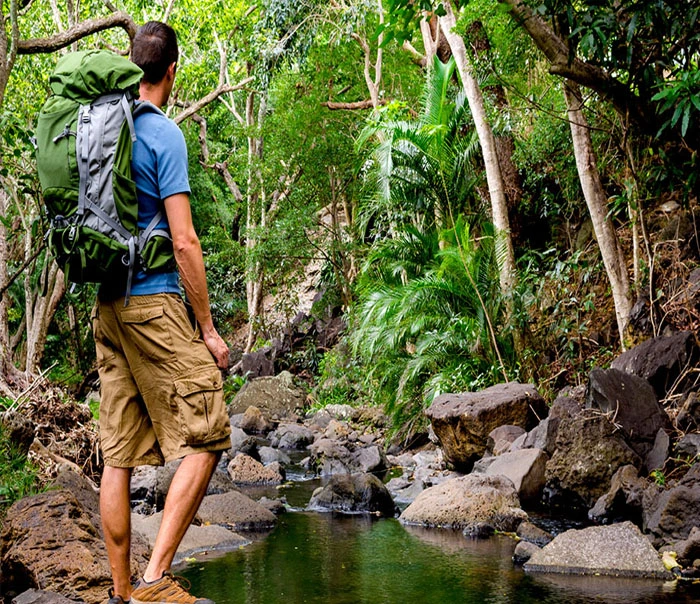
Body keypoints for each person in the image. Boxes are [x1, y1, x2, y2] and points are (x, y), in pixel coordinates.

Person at [94, 21, 231, 604]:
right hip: (153, 302)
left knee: (118, 455)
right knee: (208, 434)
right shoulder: (161, 134)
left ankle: (120, 592)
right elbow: (184, 243)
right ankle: (154, 581)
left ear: (131, 66)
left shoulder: (100, 128)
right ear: (171, 70)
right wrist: (207, 328)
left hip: (107, 306)